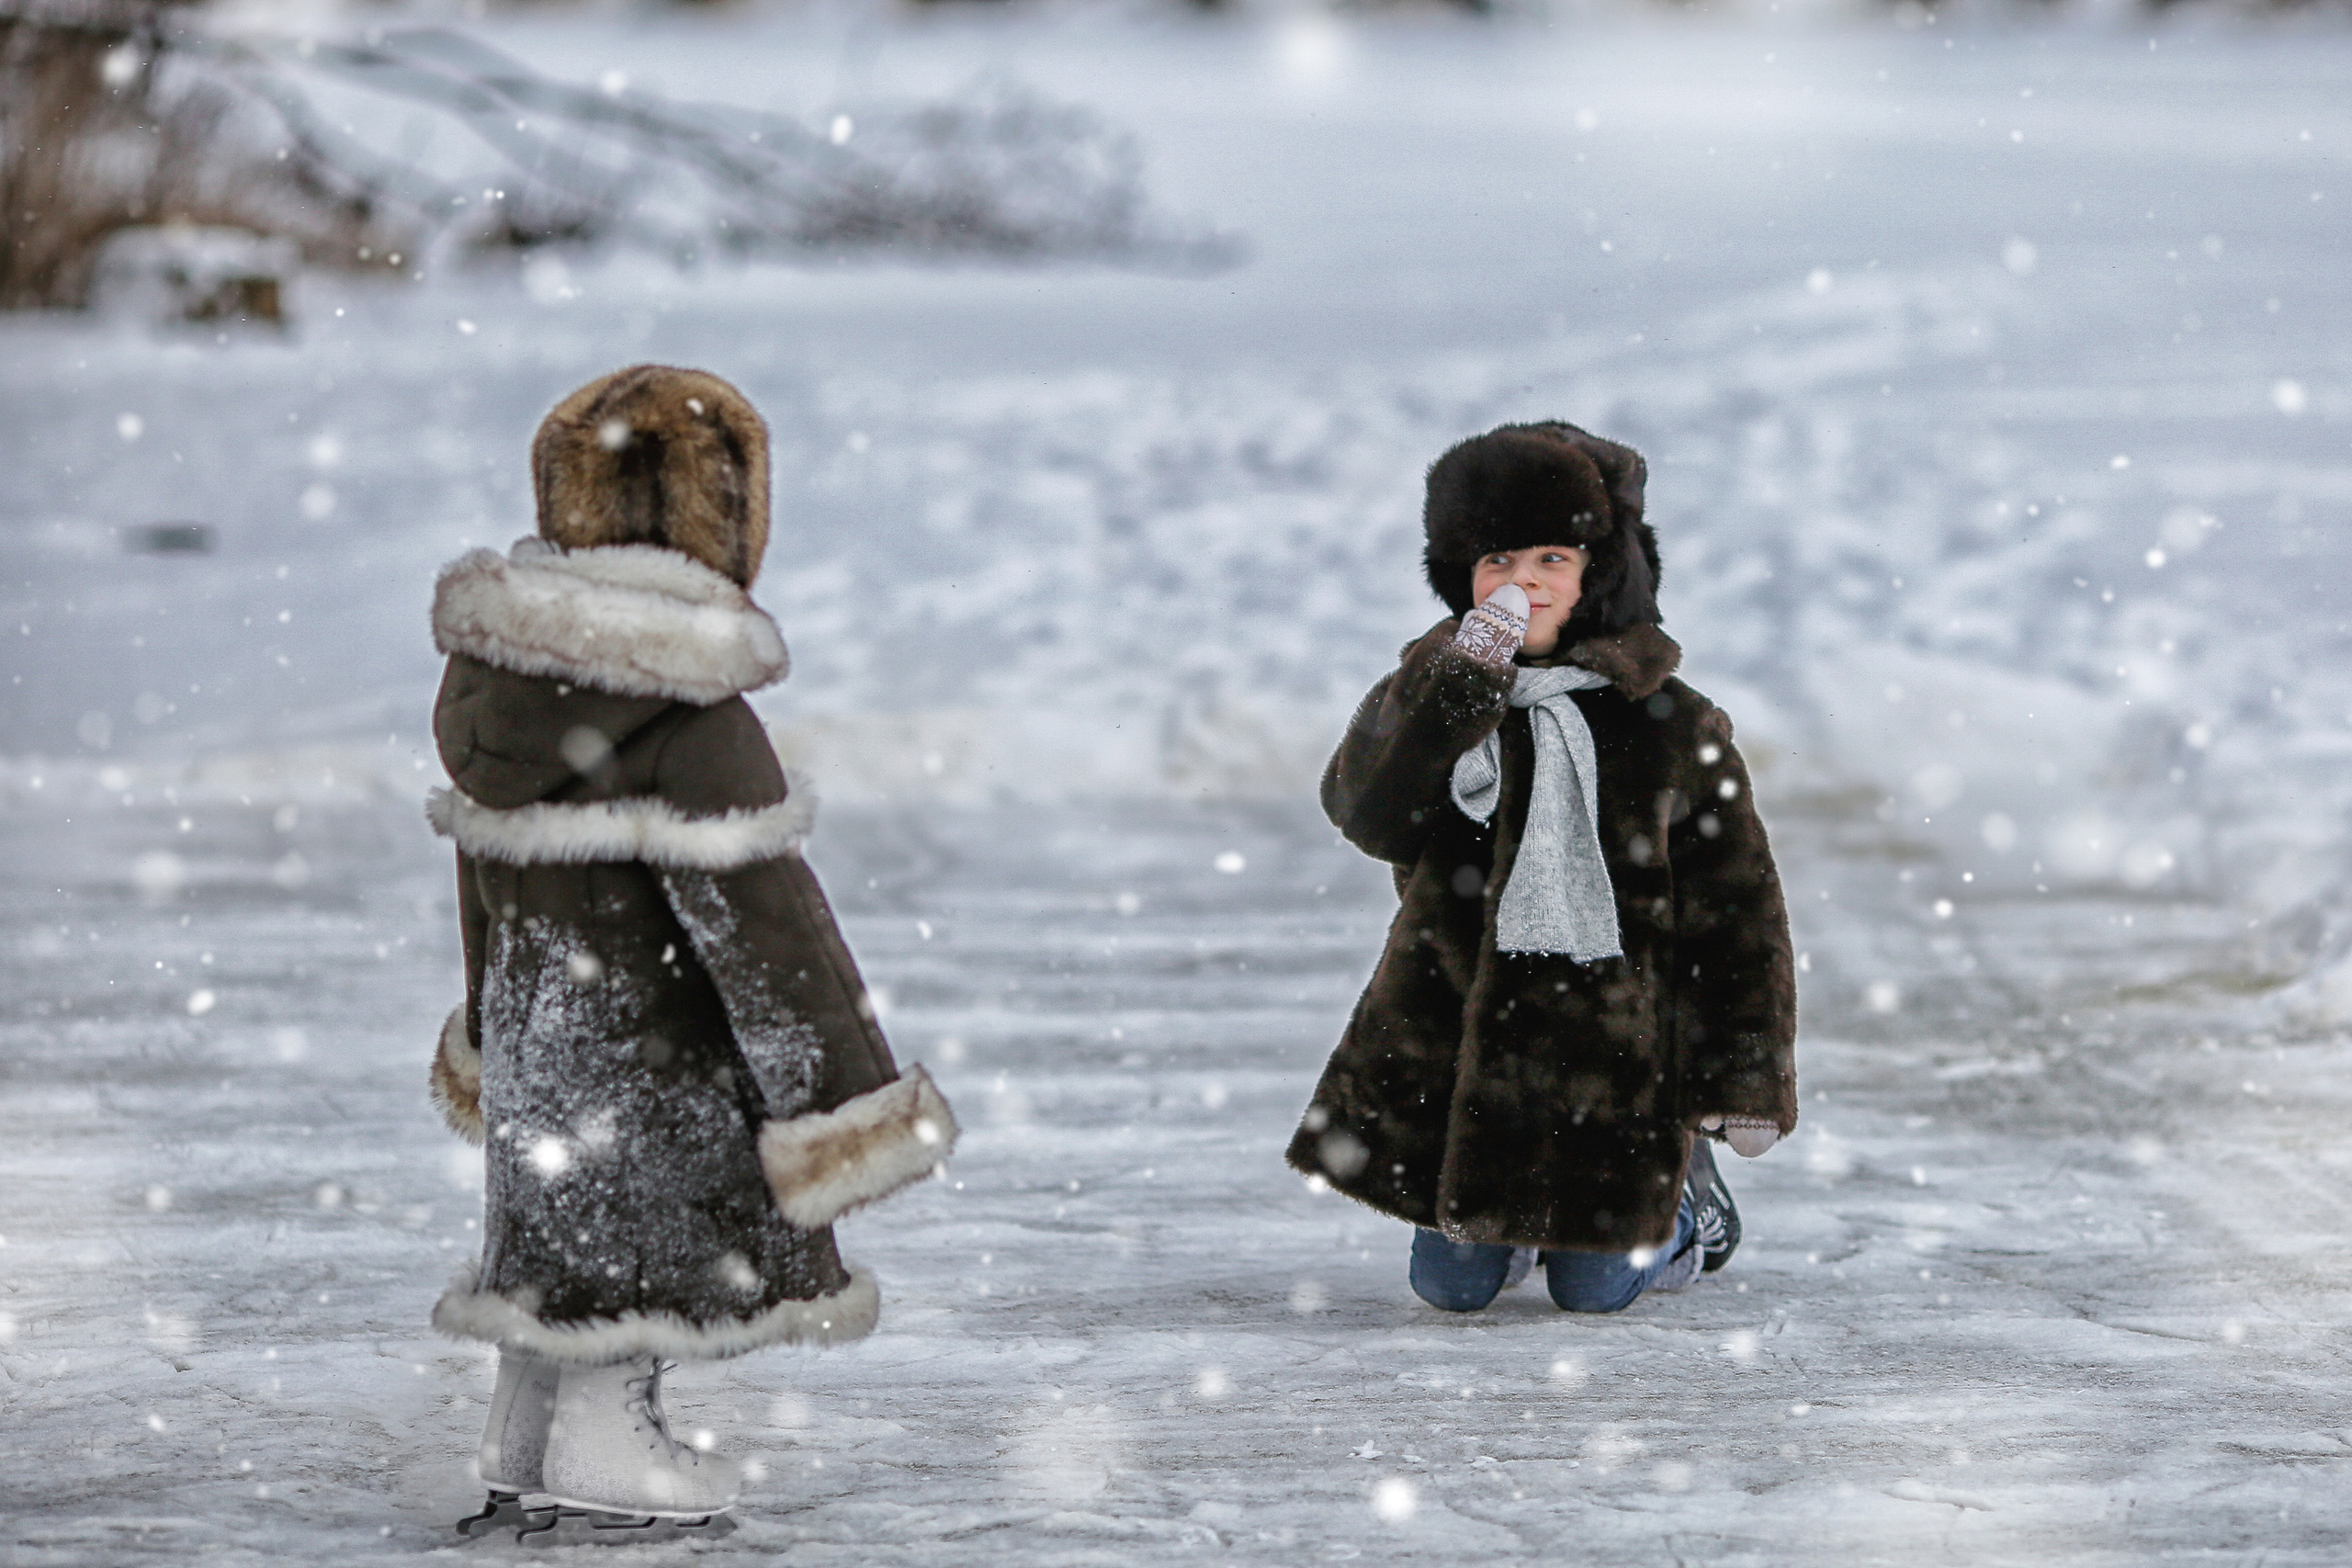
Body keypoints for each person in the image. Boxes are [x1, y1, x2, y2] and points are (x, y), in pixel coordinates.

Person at [423, 365, 956, 1540]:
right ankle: (608, 1442)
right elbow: (771, 926)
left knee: (558, 1247)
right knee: (638, 1260)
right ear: (725, 524)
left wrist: (490, 1039)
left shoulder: (500, 691)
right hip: (658, 1065)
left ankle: (524, 1437)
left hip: (547, 1054)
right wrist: (847, 1101)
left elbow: (484, 895)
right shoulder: (690, 715)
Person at [1285, 421, 1796, 1314]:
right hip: (1462, 1024)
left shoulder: (1673, 722)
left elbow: (1737, 911)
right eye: (1498, 561)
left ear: (1602, 574)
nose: (1522, 582)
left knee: (1594, 1293)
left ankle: (1685, 1198)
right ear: (1462, 576)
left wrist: (1743, 1076)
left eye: (1552, 558)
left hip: (1616, 1051)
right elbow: (1366, 812)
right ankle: (1512, 1219)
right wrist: (1458, 692)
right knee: (1449, 1288)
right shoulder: (1437, 691)